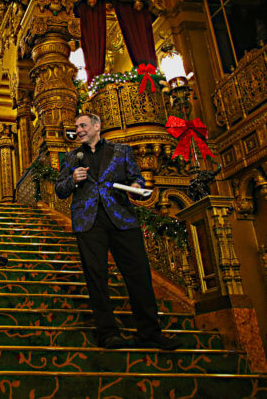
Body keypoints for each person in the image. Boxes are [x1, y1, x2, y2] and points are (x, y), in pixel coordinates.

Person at [54, 113, 181, 350]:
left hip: (122, 218)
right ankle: (108, 333)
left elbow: (137, 179)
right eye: (77, 126)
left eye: (83, 125)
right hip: (88, 222)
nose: (78, 130)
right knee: (97, 277)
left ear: (97, 126)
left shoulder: (121, 151)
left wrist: (136, 186)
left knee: (139, 274)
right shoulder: (72, 157)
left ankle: (149, 332)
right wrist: (72, 179)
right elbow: (60, 190)